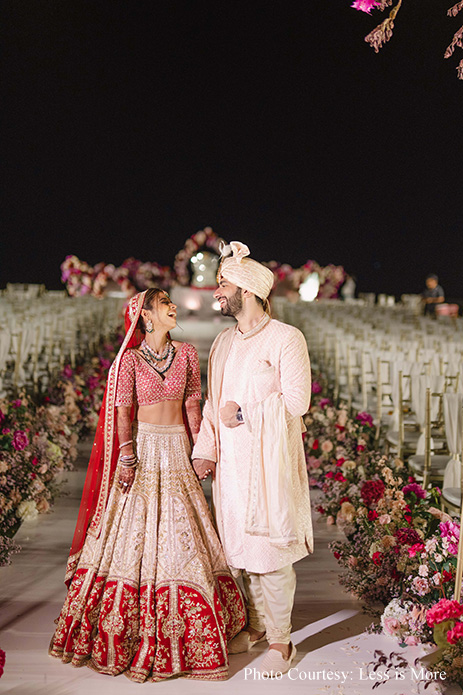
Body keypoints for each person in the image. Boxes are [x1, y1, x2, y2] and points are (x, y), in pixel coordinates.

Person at [49, 288, 246, 682]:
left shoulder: (186, 354)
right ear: (145, 316)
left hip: (177, 448)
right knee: (131, 534)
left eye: (171, 301)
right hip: (143, 448)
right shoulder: (130, 360)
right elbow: (123, 411)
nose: (173, 306)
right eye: (164, 303)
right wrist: (125, 454)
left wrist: (201, 450)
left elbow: (193, 405)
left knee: (185, 531)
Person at [192, 241, 313, 676]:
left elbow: (297, 401)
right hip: (231, 467)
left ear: (248, 290)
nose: (216, 292)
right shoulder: (223, 342)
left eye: (223, 284)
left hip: (269, 465)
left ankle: (282, 640)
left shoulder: (286, 338)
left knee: (271, 551)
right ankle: (258, 626)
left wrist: (245, 413)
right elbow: (212, 403)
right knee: (240, 551)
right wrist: (205, 450)